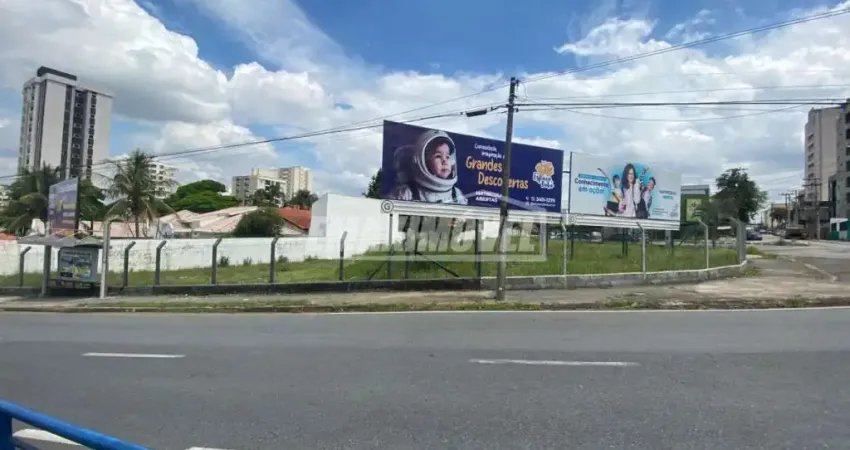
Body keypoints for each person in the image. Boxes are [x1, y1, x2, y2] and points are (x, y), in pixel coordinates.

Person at [388, 129, 467, 204]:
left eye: (447, 157)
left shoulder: (456, 194)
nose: (444, 161)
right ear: (423, 161)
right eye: (438, 156)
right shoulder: (406, 193)